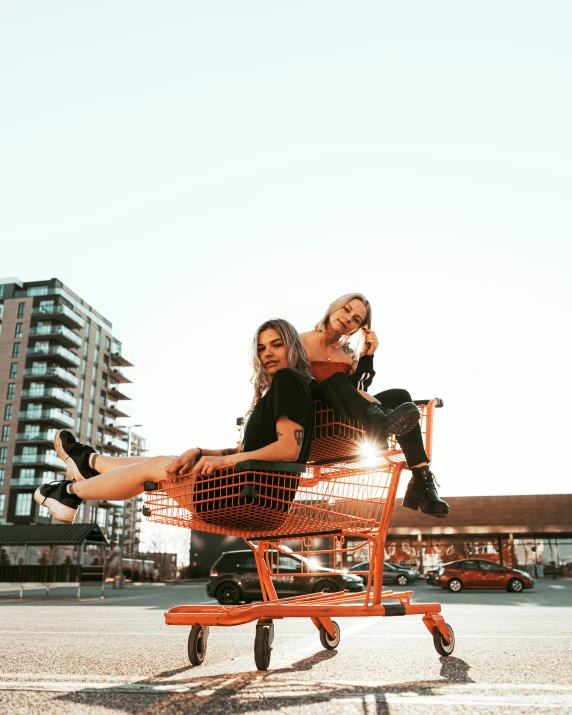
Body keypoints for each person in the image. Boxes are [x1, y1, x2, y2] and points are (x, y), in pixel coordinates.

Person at [34, 319, 314, 524]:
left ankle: (70, 491)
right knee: (165, 462)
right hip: (251, 496)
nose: (267, 353)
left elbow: (289, 449)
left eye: (276, 345)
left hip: (250, 499)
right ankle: (88, 464)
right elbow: (247, 450)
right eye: (262, 347)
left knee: (157, 467)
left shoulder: (287, 381)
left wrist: (223, 462)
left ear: (292, 347)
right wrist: (203, 452)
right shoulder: (278, 390)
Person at [300, 293, 449, 519]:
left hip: (340, 422)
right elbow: (290, 388)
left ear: (358, 328)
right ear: (333, 308)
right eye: (346, 309)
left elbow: (358, 393)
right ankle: (380, 424)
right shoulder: (298, 342)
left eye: (357, 319)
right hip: (313, 420)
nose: (349, 318)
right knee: (337, 381)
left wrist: (367, 356)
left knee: (401, 395)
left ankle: (421, 478)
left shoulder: (348, 355)